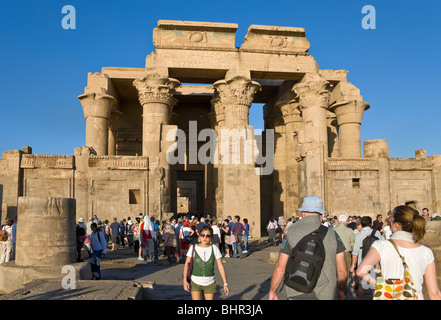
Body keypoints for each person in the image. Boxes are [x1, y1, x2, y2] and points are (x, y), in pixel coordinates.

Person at [269, 195, 347, 300]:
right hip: (326, 294)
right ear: (320, 214)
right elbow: (342, 270)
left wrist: (273, 291)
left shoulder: (291, 231)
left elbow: (280, 266)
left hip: (297, 291)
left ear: (303, 213)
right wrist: (341, 291)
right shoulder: (333, 234)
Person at [357, 205, 441, 300]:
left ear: (396, 225)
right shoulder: (426, 252)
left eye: (391, 220)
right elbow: (434, 293)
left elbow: (361, 272)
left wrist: (380, 284)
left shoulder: (381, 246)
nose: (389, 223)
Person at [183, 226, 229, 300]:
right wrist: (185, 281)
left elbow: (220, 266)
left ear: (211, 237)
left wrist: (225, 283)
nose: (205, 238)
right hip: (195, 282)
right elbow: (186, 265)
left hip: (210, 282)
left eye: (207, 236)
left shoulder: (215, 248)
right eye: (202, 235)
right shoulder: (193, 248)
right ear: (199, 236)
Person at [350, 215, 384, 300]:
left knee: (362, 283)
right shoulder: (376, 233)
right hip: (375, 261)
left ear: (361, 224)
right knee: (373, 283)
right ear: (370, 223)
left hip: (363, 261)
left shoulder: (358, 235)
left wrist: (353, 265)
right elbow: (382, 245)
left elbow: (355, 252)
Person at [333, 214, 355, 294]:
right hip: (346, 253)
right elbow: (353, 245)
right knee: (345, 274)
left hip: (335, 253)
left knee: (337, 273)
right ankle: (343, 291)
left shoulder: (333, 230)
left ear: (338, 221)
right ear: (346, 222)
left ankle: (337, 291)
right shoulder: (350, 231)